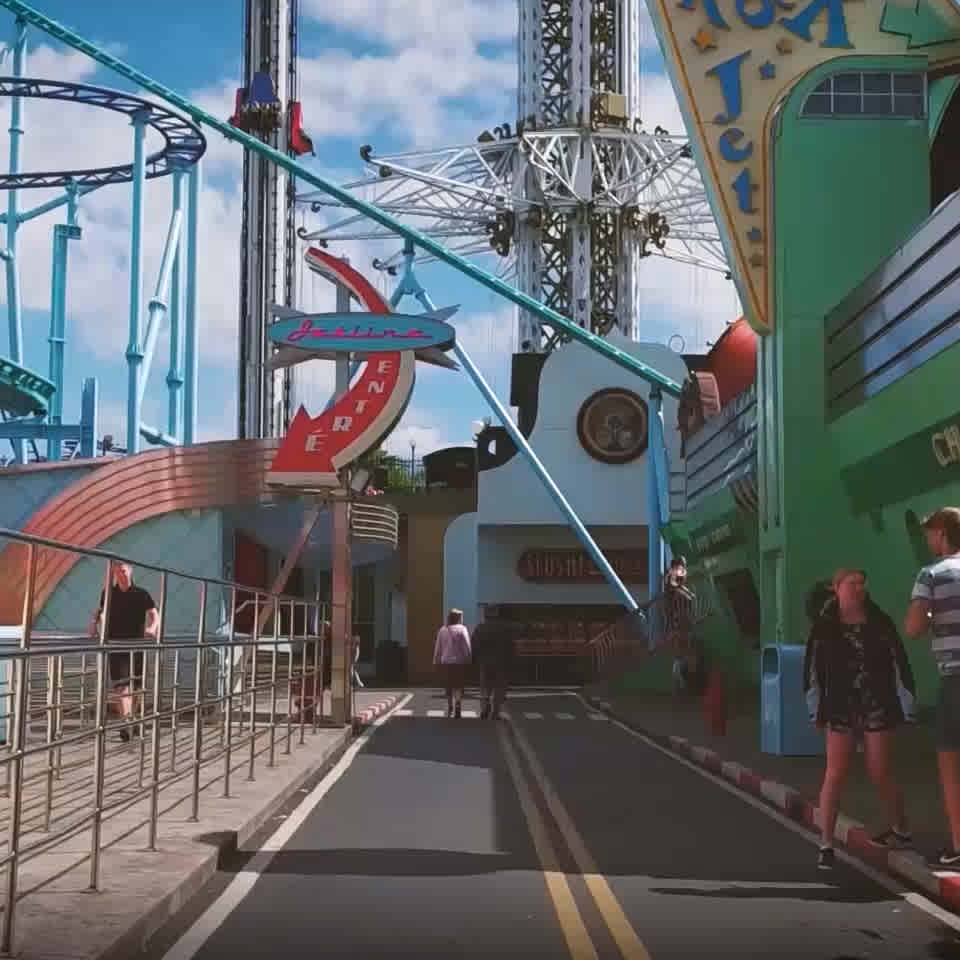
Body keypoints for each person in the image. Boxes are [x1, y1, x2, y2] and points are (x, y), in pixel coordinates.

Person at [804, 567, 915, 870]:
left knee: (880, 770)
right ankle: (826, 844)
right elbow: (812, 671)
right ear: (837, 587)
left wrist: (907, 703)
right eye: (852, 583)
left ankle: (901, 828)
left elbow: (899, 662)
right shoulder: (825, 626)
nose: (859, 588)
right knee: (835, 773)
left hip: (877, 705)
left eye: (862, 584)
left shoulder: (879, 622)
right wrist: (815, 709)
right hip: (839, 708)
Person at [904, 507, 960, 865]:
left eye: (929, 533)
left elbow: (913, 628)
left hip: (955, 679)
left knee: (950, 763)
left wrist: (925, 614)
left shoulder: (932, 574)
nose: (927, 539)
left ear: (941, 533)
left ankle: (959, 845)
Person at [89, 561, 159, 741]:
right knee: (121, 687)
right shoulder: (108, 593)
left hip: (137, 645)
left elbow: (154, 614)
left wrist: (152, 628)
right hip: (116, 645)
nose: (121, 574)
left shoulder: (141, 593)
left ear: (130, 571)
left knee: (135, 688)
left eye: (124, 571)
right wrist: (93, 625)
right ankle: (127, 723)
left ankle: (130, 721)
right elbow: (100, 611)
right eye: (118, 571)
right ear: (113, 573)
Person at [473, 610, 517, 720]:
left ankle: (484, 709)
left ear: (485, 616)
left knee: (485, 687)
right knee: (499, 688)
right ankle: (495, 712)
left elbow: (474, 645)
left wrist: (477, 660)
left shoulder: (480, 628)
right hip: (501, 663)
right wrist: (511, 661)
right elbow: (511, 646)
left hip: (485, 662)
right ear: (496, 615)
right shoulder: (504, 628)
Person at [433, 608, 471, 718]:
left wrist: (436, 661)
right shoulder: (462, 629)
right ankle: (458, 703)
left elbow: (438, 647)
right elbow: (467, 646)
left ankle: (450, 706)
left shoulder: (442, 630)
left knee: (448, 685)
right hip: (459, 662)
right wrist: (469, 659)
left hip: (446, 662)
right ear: (459, 618)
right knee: (458, 685)